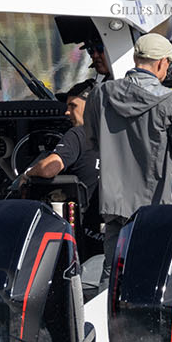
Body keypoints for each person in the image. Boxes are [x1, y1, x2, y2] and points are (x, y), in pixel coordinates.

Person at [84, 33, 172, 245]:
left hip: (115, 205)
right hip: (158, 205)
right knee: (155, 271)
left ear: (136, 59)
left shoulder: (100, 94)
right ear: (162, 63)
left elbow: (91, 141)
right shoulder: (171, 101)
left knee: (113, 270)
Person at [19, 80, 103, 254]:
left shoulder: (79, 134)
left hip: (83, 234)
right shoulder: (118, 133)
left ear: (91, 106)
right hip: (113, 232)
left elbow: (48, 169)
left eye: (73, 106)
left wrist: (27, 174)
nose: (67, 112)